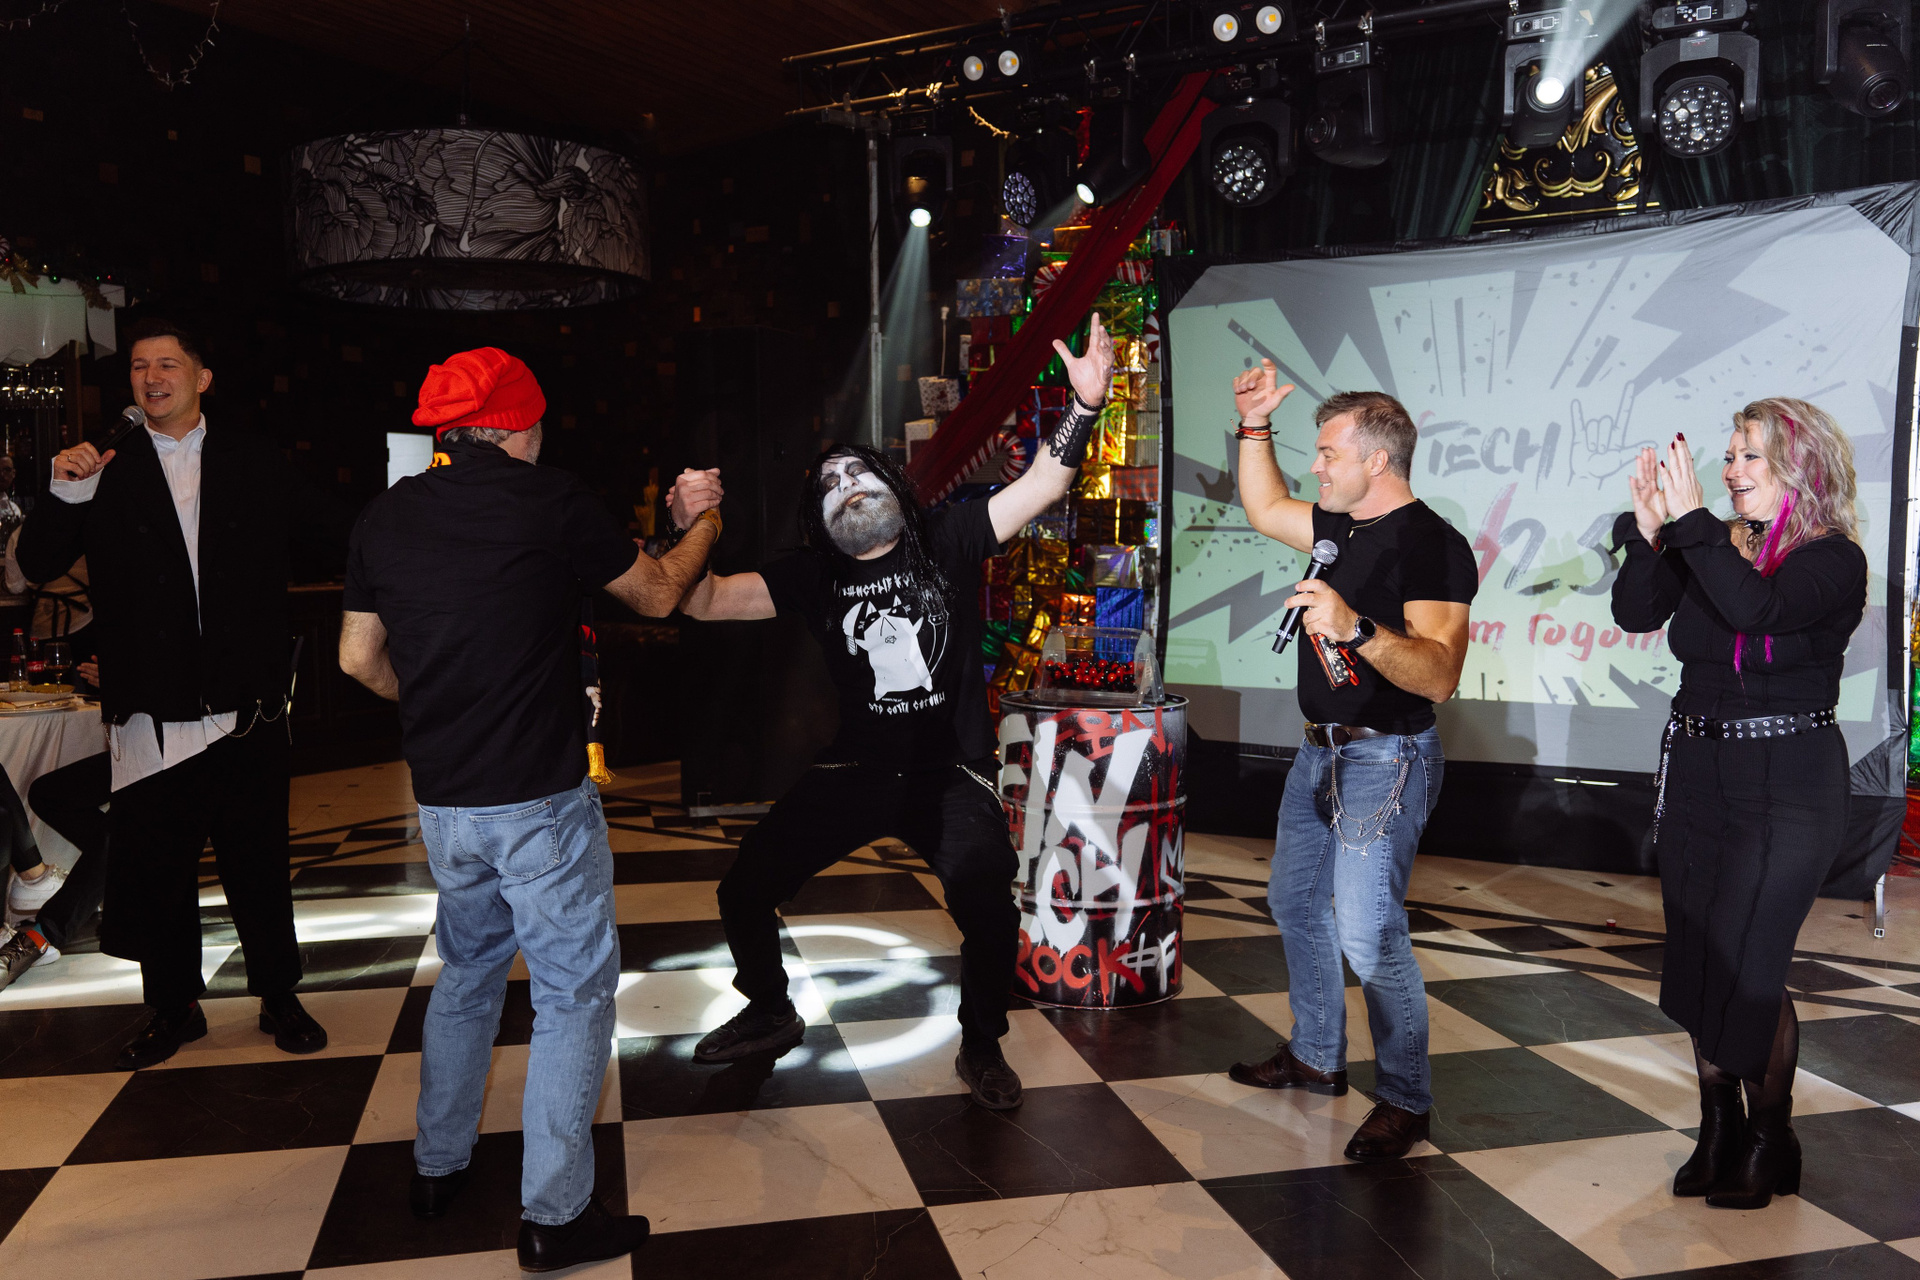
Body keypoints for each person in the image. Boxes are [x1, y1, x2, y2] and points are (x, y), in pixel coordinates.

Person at [337, 346, 723, 1272]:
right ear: (519, 425)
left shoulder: (386, 515)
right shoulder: (549, 501)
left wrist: (437, 701)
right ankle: (556, 1216)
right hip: (539, 802)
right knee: (572, 995)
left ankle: (437, 1168)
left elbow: (356, 658)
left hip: (445, 805)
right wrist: (704, 521)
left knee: (468, 974)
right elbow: (659, 592)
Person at [677, 315, 1115, 1110]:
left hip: (949, 773)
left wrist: (1085, 405)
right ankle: (770, 1009)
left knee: (988, 908)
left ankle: (981, 1044)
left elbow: (1046, 484)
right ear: (821, 516)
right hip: (856, 769)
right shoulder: (811, 576)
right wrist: (691, 527)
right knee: (743, 887)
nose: (846, 483)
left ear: (892, 488)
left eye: (859, 471)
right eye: (830, 483)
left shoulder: (949, 536)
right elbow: (703, 601)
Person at [16, 318, 327, 1068]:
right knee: (159, 868)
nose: (151, 378)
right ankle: (173, 1006)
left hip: (246, 704)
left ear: (202, 377)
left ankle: (278, 995)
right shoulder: (105, 468)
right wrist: (64, 492)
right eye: (138, 367)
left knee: (258, 861)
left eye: (168, 364)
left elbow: (330, 528)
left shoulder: (252, 458)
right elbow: (35, 564)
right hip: (150, 711)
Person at [1219, 363, 1476, 1162]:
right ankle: (1316, 1055)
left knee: (1369, 937)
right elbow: (1264, 508)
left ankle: (1405, 1099)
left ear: (1378, 460)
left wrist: (1354, 627)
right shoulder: (1338, 527)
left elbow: (1440, 675)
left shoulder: (1433, 545)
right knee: (1294, 903)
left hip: (1386, 757)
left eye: (1329, 453)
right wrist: (1254, 424)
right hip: (1319, 752)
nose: (1317, 466)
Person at [1611, 400, 1865, 1209]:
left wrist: (1693, 529)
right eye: (1728, 456)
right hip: (1697, 767)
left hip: (1787, 781)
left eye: (1749, 455)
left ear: (1801, 467)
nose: (1730, 471)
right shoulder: (1713, 541)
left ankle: (1770, 1138)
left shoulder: (1832, 558)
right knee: (1699, 960)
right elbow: (1635, 612)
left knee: (1749, 965)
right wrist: (1651, 535)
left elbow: (1758, 612)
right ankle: (1717, 1126)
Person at [0, 661, 112, 989]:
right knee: (47, 794)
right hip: (133, 747)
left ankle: (40, 936)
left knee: (116, 834)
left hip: (175, 753)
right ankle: (38, 879)